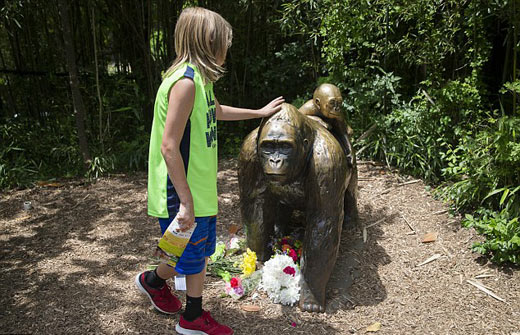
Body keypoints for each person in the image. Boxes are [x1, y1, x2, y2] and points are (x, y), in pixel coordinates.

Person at [134, 7, 284, 335]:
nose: (226, 50)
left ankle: (152, 282)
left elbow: (214, 111)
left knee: (184, 248)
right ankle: (192, 318)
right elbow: (169, 146)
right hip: (182, 189)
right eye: (225, 43)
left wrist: (258, 112)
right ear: (210, 42)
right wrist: (185, 202)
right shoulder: (185, 83)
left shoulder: (198, 81)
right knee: (195, 256)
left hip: (196, 187)